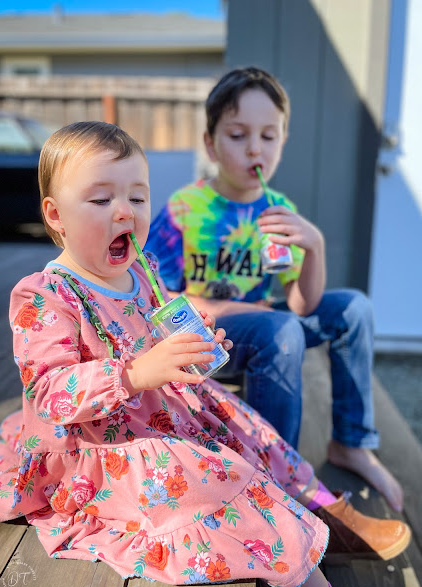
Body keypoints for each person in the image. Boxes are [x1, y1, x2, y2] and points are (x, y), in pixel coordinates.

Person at [0, 121, 418, 587]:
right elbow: (49, 392)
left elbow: (158, 328)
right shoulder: (45, 295)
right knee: (224, 482)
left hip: (163, 412)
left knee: (249, 427)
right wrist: (136, 373)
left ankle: (323, 510)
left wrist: (192, 344)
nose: (125, 212)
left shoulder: (141, 271)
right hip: (103, 448)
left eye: (137, 197)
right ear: (56, 215)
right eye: (101, 200)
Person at [146, 66, 404, 514]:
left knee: (353, 309)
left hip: (270, 328)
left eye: (269, 136)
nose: (255, 148)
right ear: (211, 144)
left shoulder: (278, 211)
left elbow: (304, 304)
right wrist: (246, 311)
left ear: (282, 142)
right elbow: (158, 297)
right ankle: (276, 475)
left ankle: (351, 443)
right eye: (238, 135)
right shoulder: (186, 208)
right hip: (209, 336)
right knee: (281, 329)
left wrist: (315, 246)